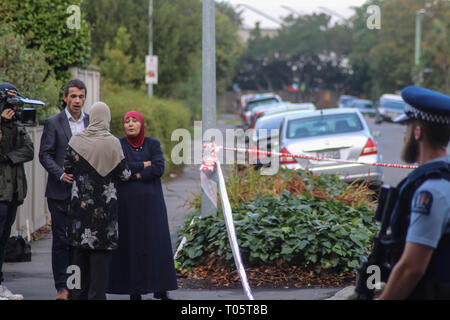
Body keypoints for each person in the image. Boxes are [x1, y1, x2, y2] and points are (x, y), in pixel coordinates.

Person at [376, 86, 450, 300]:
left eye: (407, 128)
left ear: (418, 132)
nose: (404, 135)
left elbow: (412, 268)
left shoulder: (431, 191)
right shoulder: (441, 177)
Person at [107, 110, 178, 300]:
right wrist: (142, 165)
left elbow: (159, 167)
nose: (130, 124)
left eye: (134, 121)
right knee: (131, 245)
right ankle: (134, 291)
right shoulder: (119, 144)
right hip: (127, 206)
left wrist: (134, 174)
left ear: (141, 124)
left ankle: (161, 289)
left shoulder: (152, 143)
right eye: (126, 121)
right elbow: (119, 169)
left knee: (156, 244)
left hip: (152, 204)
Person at [65, 102, 131, 300]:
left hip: (80, 209)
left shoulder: (76, 140)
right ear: (107, 118)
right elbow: (125, 174)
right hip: (104, 211)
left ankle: (75, 295)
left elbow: (67, 167)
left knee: (77, 256)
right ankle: (97, 296)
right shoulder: (112, 142)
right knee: (100, 260)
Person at [39, 79, 89, 300]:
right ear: (65, 98)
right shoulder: (53, 122)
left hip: (86, 194)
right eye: (73, 96)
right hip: (59, 192)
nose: (77, 101)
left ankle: (76, 286)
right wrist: (60, 173)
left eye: (81, 96)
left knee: (81, 241)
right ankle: (62, 288)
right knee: (61, 240)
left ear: (85, 98)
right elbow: (44, 154)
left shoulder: (91, 122)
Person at [0, 82, 34, 300]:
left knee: (3, 238)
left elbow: (29, 150)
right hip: (1, 193)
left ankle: (0, 284)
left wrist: (8, 157)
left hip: (13, 192)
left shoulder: (18, 125)